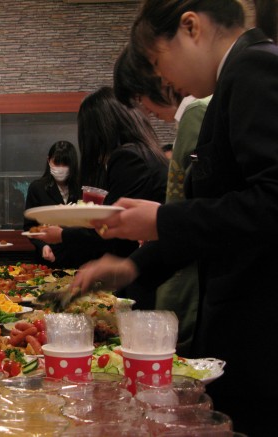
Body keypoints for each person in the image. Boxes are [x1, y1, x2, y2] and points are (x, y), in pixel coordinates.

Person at [72, 1, 278, 434]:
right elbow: (221, 218)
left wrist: (163, 220)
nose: (162, 78)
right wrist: (133, 265)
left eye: (155, 60)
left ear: (191, 27)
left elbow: (271, 202)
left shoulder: (254, 69)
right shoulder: (233, 82)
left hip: (260, 333)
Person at [114, 44, 211, 355]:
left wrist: (159, 221)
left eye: (139, 98)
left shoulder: (198, 114)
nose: (144, 110)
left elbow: (201, 218)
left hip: (196, 296)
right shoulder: (194, 115)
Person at [33, 87, 168, 309]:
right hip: (153, 267)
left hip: (145, 277)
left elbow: (113, 227)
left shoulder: (127, 157)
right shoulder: (147, 151)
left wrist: (63, 234)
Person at [23, 140, 81, 268]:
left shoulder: (82, 188)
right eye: (56, 162)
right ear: (49, 160)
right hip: (48, 260)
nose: (60, 168)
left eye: (65, 164)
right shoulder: (37, 188)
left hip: (79, 259)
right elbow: (29, 227)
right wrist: (43, 246)